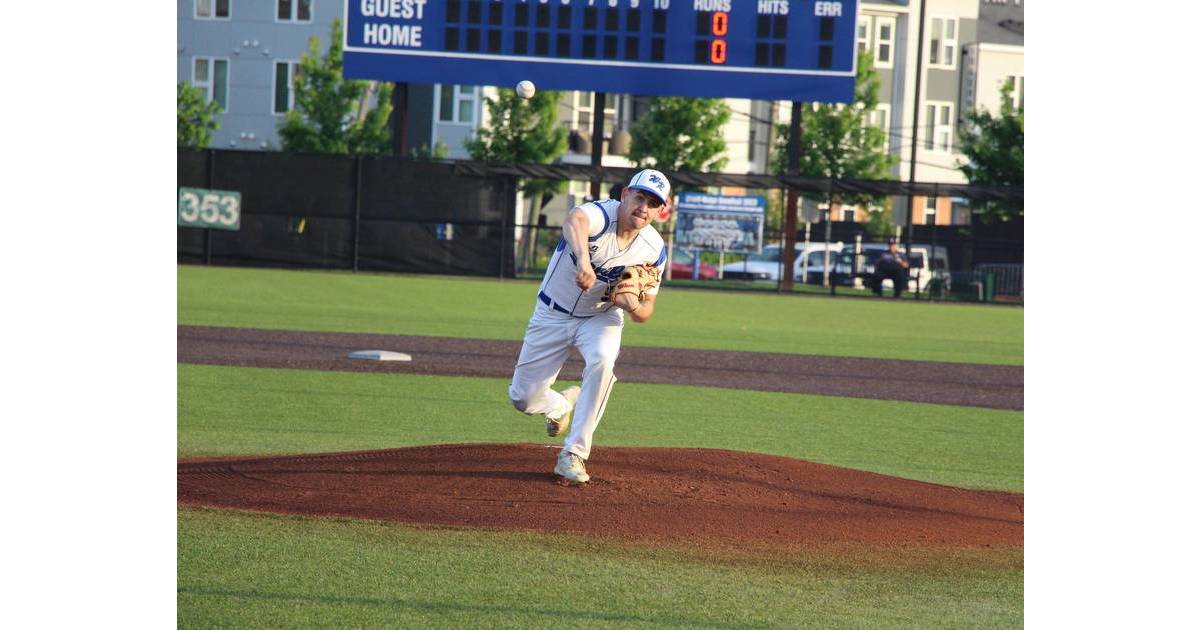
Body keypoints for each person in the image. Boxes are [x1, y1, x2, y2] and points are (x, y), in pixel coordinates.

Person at [508, 169, 671, 483]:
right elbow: (575, 221)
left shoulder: (654, 249)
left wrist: (632, 304)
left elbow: (646, 311)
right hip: (551, 313)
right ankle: (559, 406)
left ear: (659, 211)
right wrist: (583, 260)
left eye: (653, 203)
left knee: (602, 362)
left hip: (601, 317)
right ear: (625, 195)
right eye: (640, 197)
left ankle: (573, 454)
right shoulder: (600, 214)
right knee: (523, 399)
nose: (644, 207)